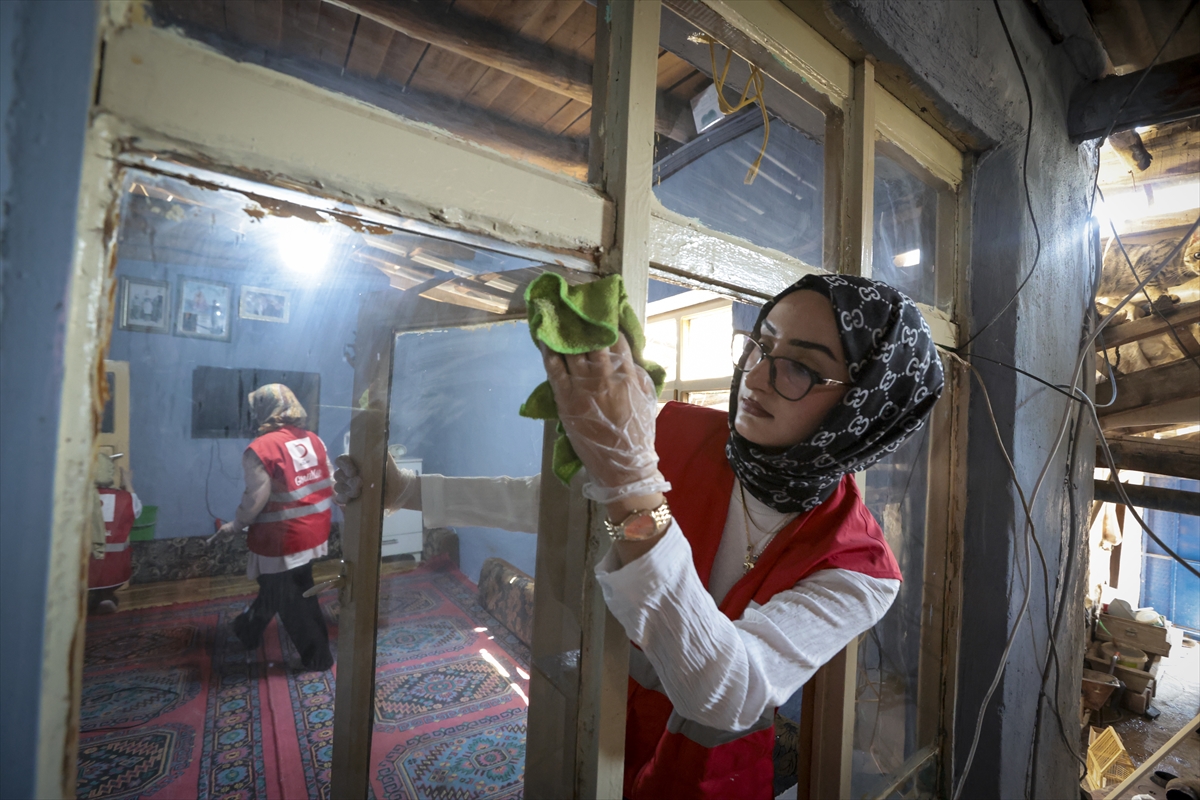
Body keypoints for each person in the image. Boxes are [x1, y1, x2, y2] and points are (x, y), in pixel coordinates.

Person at [334, 274, 943, 798]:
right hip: (601, 721)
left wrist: (633, 489)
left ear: (866, 408)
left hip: (706, 776)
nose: (757, 377)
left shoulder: (861, 570)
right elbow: (545, 505)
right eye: (760, 343)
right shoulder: (680, 431)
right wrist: (408, 492)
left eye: (801, 368)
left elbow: (729, 692)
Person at [216, 384, 335, 672]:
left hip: (280, 539)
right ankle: (248, 630)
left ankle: (318, 657)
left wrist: (236, 524)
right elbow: (330, 480)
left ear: (264, 410)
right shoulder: (314, 440)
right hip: (313, 531)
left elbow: (255, 498)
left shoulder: (260, 449)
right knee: (285, 586)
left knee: (293, 600)